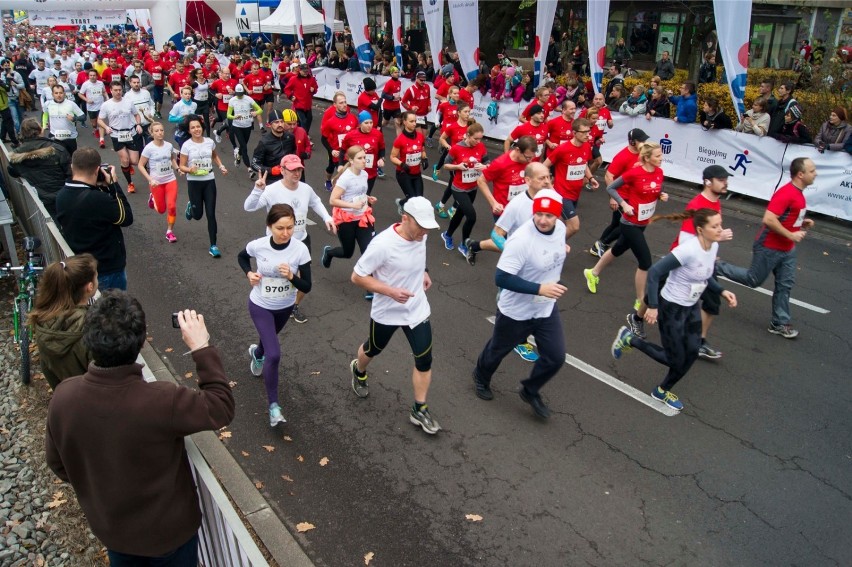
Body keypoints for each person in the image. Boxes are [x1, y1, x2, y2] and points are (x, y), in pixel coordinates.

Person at [45, 292, 235, 564]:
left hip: (114, 532)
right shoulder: (161, 399)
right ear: (141, 340)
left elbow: (59, 464)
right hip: (169, 536)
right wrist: (201, 347)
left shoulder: (64, 396)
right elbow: (221, 407)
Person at [610, 208, 737, 412]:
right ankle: (629, 338)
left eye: (720, 225)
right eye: (715, 226)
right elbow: (653, 273)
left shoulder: (712, 246)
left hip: (691, 307)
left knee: (693, 351)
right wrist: (652, 306)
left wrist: (722, 291)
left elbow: (705, 276)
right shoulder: (688, 250)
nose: (720, 230)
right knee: (674, 359)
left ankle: (662, 390)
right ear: (700, 229)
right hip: (672, 308)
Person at [349, 196, 442, 435]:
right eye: (420, 226)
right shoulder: (382, 245)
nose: (424, 232)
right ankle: (358, 370)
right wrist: (390, 291)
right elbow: (357, 277)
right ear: (405, 218)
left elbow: (419, 255)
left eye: (427, 227)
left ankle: (419, 408)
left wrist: (424, 272)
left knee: (424, 359)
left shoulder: (422, 233)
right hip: (387, 311)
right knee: (373, 349)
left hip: (417, 309)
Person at [472, 189, 568, 419]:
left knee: (556, 356)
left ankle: (530, 389)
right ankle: (481, 376)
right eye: (539, 214)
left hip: (545, 307)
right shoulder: (521, 240)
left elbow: (551, 250)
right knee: (498, 350)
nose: (543, 220)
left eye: (549, 216)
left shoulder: (561, 230)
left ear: (558, 217)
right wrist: (539, 288)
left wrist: (561, 251)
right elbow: (501, 278)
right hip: (516, 311)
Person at [714, 158, 816, 339]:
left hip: (787, 249)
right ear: (800, 174)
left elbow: (785, 217)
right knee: (753, 279)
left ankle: (779, 323)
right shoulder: (786, 193)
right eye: (812, 171)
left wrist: (801, 224)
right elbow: (768, 219)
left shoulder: (799, 193)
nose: (815, 174)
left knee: (785, 286)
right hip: (769, 246)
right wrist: (792, 235)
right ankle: (715, 267)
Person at [239, 204, 311, 426]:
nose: (286, 233)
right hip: (260, 305)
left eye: (290, 227)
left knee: (267, 344)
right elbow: (242, 257)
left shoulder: (300, 250)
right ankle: (273, 407)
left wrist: (291, 276)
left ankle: (257, 353)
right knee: (275, 354)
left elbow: (306, 286)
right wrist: (249, 273)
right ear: (269, 226)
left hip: (285, 307)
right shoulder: (258, 246)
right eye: (280, 228)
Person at [244, 155, 335, 324]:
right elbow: (249, 207)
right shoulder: (271, 190)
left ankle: (294, 305)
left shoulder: (306, 189)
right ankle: (271, 304)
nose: (297, 173)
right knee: (278, 275)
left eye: (299, 169)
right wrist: (257, 190)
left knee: (303, 279)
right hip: (276, 244)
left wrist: (327, 218)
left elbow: (316, 202)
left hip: (301, 241)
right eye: (292, 170)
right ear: (282, 170)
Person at [583, 142, 669, 320]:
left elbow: (655, 189)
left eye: (661, 156)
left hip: (643, 221)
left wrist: (661, 195)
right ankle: (640, 300)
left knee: (617, 249)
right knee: (645, 262)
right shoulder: (635, 172)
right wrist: (624, 204)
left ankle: (593, 272)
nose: (661, 159)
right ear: (647, 158)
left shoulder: (659, 173)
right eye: (658, 156)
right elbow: (610, 187)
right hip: (629, 223)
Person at [55, 148, 133, 290]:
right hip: (107, 268)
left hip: (81, 265)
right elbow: (126, 217)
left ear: (72, 167)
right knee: (113, 310)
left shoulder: (62, 195)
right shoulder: (97, 199)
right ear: (97, 170)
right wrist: (114, 185)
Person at [29, 254, 98, 391]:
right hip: (98, 403)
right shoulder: (93, 329)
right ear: (90, 287)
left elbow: (47, 369)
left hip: (68, 398)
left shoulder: (42, 321)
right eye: (96, 277)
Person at [321, 145, 377, 293]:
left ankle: (370, 287)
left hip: (362, 217)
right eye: (360, 158)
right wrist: (352, 204)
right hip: (346, 219)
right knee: (348, 252)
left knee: (369, 250)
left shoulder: (364, 174)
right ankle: (329, 252)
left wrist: (368, 198)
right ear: (351, 160)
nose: (364, 161)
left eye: (365, 157)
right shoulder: (345, 178)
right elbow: (333, 200)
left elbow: (361, 193)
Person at [179, 114, 229, 258]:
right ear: (189, 130)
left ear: (202, 127)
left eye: (198, 127)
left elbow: (214, 155)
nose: (196, 130)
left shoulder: (209, 141)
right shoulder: (186, 145)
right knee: (198, 215)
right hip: (194, 182)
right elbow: (182, 166)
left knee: (211, 214)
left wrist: (221, 166)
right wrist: (189, 169)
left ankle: (213, 245)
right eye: (193, 128)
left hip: (209, 180)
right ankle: (192, 207)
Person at [542, 117, 599, 239]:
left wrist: (590, 178)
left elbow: (584, 164)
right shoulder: (562, 149)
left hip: (575, 194)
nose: (587, 135)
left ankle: (540, 240)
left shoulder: (586, 146)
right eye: (583, 132)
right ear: (574, 133)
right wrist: (550, 186)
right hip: (562, 195)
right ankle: (555, 245)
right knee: (574, 226)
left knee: (557, 223)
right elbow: (544, 167)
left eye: (588, 132)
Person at [439, 123, 488, 258]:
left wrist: (484, 166)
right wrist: (459, 167)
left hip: (472, 188)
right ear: (467, 135)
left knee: (460, 214)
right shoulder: (457, 148)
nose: (478, 142)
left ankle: (447, 235)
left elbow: (487, 162)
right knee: (471, 217)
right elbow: (446, 165)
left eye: (480, 139)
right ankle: (464, 245)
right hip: (459, 188)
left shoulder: (481, 147)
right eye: (475, 139)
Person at [8, 118, 72, 217]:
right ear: (40, 130)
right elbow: (70, 173)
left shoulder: (17, 155)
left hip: (40, 199)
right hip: (63, 196)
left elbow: (12, 171)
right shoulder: (58, 149)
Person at [98, 81, 144, 193]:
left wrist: (138, 124)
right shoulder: (106, 105)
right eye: (116, 90)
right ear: (111, 91)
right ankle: (130, 183)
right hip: (116, 135)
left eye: (120, 90)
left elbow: (136, 114)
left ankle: (128, 165)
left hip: (130, 133)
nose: (118, 92)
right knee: (125, 159)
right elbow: (100, 119)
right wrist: (106, 127)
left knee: (134, 161)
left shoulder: (129, 102)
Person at [138, 121, 181, 242]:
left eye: (161, 130)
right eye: (156, 131)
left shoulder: (169, 145)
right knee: (161, 210)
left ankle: (169, 231)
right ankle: (152, 198)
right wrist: (150, 179)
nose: (160, 133)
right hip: (156, 182)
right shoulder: (149, 148)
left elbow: (172, 159)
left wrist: (177, 169)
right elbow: (141, 165)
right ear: (151, 133)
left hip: (170, 180)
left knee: (172, 207)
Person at [320, 91, 358, 191]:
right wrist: (331, 150)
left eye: (345, 102)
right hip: (338, 153)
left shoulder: (353, 118)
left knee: (353, 178)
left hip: (352, 153)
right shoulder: (330, 122)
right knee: (337, 172)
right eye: (341, 103)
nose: (344, 105)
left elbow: (358, 134)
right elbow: (323, 139)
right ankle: (330, 181)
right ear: (335, 105)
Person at [341, 110, 385, 195]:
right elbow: (343, 151)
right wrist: (341, 165)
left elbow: (382, 149)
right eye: (366, 123)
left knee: (366, 195)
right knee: (354, 196)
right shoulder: (350, 135)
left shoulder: (377, 134)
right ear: (360, 124)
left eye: (371, 122)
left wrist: (381, 158)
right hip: (355, 172)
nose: (369, 125)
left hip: (371, 173)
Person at [390, 111, 428, 207]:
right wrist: (402, 164)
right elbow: (392, 157)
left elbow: (422, 150)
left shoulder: (420, 136)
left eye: (415, 121)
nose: (414, 124)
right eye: (411, 121)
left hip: (416, 173)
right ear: (405, 122)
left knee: (419, 199)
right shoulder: (400, 139)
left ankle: (401, 203)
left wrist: (425, 158)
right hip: (404, 174)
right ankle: (408, 218)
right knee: (412, 200)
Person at [251, 108, 298, 183]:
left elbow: (293, 152)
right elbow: (254, 164)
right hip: (271, 181)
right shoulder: (264, 142)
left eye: (282, 122)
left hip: (288, 178)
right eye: (276, 122)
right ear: (270, 124)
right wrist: (271, 170)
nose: (280, 124)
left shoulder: (290, 137)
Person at [227, 84, 262, 173]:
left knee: (243, 146)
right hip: (237, 126)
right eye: (238, 94)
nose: (239, 96)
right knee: (244, 147)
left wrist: (255, 112)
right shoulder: (232, 100)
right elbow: (228, 115)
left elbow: (260, 110)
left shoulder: (248, 99)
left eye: (241, 94)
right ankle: (249, 168)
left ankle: (238, 157)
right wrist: (234, 117)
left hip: (247, 125)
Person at [283, 63, 318, 134]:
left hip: (308, 105)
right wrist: (290, 96)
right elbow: (287, 89)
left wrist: (313, 90)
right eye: (304, 71)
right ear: (300, 70)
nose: (305, 73)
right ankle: (304, 136)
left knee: (309, 120)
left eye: (307, 71)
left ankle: (302, 133)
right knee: (303, 121)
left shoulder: (312, 79)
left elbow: (315, 88)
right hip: (298, 105)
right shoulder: (294, 79)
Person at [400, 70, 431, 145]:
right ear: (416, 79)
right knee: (419, 137)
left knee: (423, 137)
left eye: (424, 80)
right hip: (415, 116)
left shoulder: (427, 87)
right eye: (421, 80)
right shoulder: (411, 90)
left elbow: (428, 98)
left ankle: (410, 142)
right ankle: (415, 150)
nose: (423, 82)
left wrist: (429, 105)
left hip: (423, 116)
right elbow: (403, 102)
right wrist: (411, 107)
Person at [124, 75, 156, 146]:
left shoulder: (146, 93)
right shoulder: (127, 96)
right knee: (138, 148)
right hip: (136, 126)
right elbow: (127, 112)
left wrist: (152, 113)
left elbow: (152, 105)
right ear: (130, 83)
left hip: (148, 124)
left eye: (138, 82)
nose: (136, 84)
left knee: (150, 146)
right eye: (134, 82)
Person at [78, 70, 107, 145]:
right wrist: (87, 100)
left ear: (96, 76)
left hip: (101, 105)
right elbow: (80, 94)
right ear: (88, 76)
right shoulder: (86, 84)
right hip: (91, 107)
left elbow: (104, 91)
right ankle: (95, 129)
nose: (92, 77)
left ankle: (101, 139)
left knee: (100, 121)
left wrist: (107, 98)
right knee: (94, 124)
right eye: (91, 75)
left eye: (94, 75)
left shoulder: (100, 83)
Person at [380, 66, 403, 134]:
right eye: (395, 72)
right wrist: (392, 98)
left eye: (398, 72)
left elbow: (396, 93)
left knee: (398, 124)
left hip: (396, 107)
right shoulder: (389, 83)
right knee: (385, 123)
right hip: (388, 107)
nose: (397, 74)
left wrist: (399, 98)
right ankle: (376, 130)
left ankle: (399, 143)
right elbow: (383, 95)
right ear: (391, 74)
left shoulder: (399, 82)